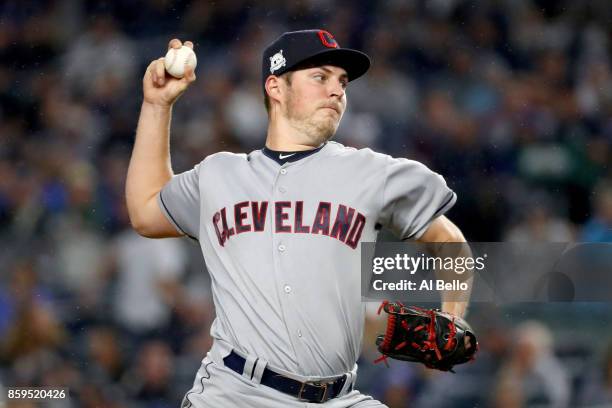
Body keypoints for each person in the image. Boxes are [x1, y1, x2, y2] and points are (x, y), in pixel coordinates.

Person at [126, 29, 471, 407]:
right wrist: (157, 106)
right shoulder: (218, 176)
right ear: (276, 87)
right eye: (320, 77)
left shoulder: (373, 172)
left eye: (342, 82)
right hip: (236, 393)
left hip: (339, 397)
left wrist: (453, 319)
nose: (337, 91)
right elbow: (145, 211)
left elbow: (448, 242)